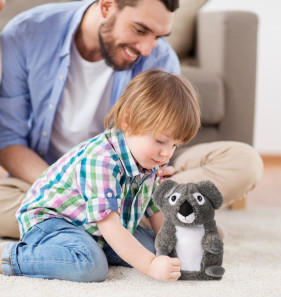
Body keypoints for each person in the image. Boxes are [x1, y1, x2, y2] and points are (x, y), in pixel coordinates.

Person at [0, 0, 263, 239]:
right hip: (50, 180)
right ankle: (153, 220)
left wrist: (156, 175)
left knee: (244, 162)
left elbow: (162, 146)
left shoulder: (160, 58)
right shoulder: (26, 34)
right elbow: (9, 140)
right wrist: (73, 188)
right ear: (106, 6)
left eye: (158, 36)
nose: (147, 48)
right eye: (140, 30)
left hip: (132, 181)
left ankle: (101, 224)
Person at [0, 69, 201, 281]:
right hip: (51, 222)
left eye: (175, 146)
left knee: (155, 247)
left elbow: (156, 212)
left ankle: (96, 248)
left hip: (91, 228)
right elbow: (111, 227)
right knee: (91, 265)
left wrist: (169, 249)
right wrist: (151, 265)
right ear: (127, 121)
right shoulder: (102, 160)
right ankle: (10, 257)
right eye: (160, 141)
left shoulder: (150, 160)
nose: (167, 153)